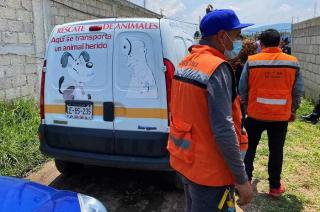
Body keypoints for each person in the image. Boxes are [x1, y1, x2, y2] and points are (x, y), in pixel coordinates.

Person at [167, 9, 253, 211]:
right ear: (222, 36)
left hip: (185, 161)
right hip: (210, 172)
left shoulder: (184, 62)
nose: (238, 41)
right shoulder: (216, 67)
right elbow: (224, 128)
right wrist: (241, 179)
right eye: (235, 35)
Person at [239, 29, 304, 198]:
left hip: (254, 114)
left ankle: (246, 182)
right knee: (276, 150)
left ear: (261, 44)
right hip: (280, 116)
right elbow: (298, 91)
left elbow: (242, 87)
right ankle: (274, 187)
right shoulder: (293, 62)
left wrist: (245, 106)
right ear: (280, 43)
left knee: (250, 148)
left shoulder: (252, 61)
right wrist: (293, 110)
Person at [229, 39, 257, 159]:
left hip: (233, 97)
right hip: (242, 99)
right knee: (240, 124)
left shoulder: (235, 62)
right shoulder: (251, 64)